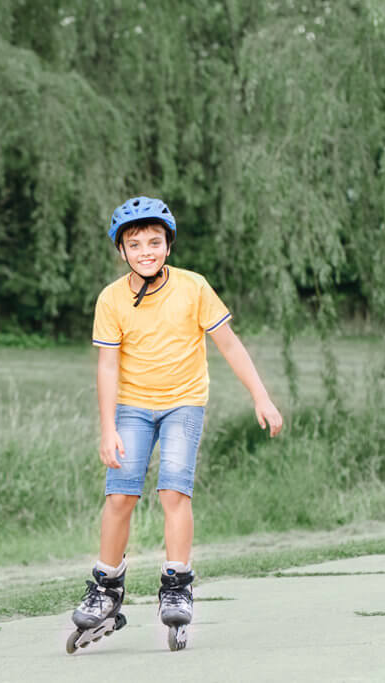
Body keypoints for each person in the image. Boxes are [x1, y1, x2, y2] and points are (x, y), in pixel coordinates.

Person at [66, 196, 283, 653]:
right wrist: (107, 428)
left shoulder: (193, 288)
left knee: (173, 490)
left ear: (168, 246)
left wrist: (260, 396)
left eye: (155, 242)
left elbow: (229, 344)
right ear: (121, 251)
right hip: (132, 406)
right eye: (135, 244)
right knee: (121, 494)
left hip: (185, 403)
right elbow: (107, 368)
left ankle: (176, 582)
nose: (146, 251)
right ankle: (106, 586)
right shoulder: (111, 298)